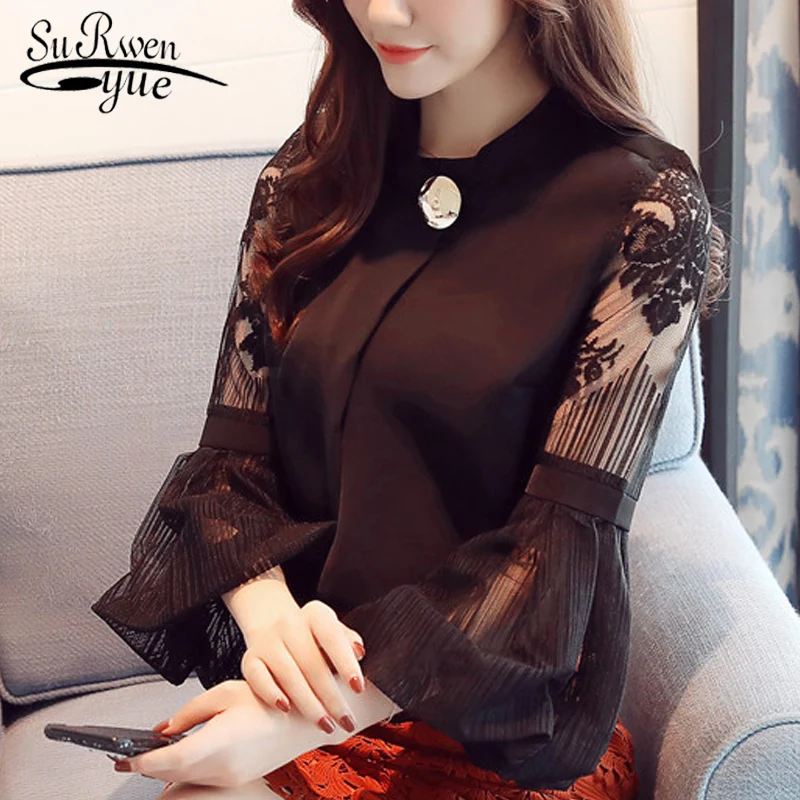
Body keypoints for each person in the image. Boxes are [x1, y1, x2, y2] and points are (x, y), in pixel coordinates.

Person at [91, 0, 729, 797]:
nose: (382, 12)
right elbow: (230, 465)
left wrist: (305, 713)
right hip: (305, 703)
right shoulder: (309, 178)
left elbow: (559, 542)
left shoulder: (647, 209)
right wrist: (275, 628)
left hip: (490, 739)